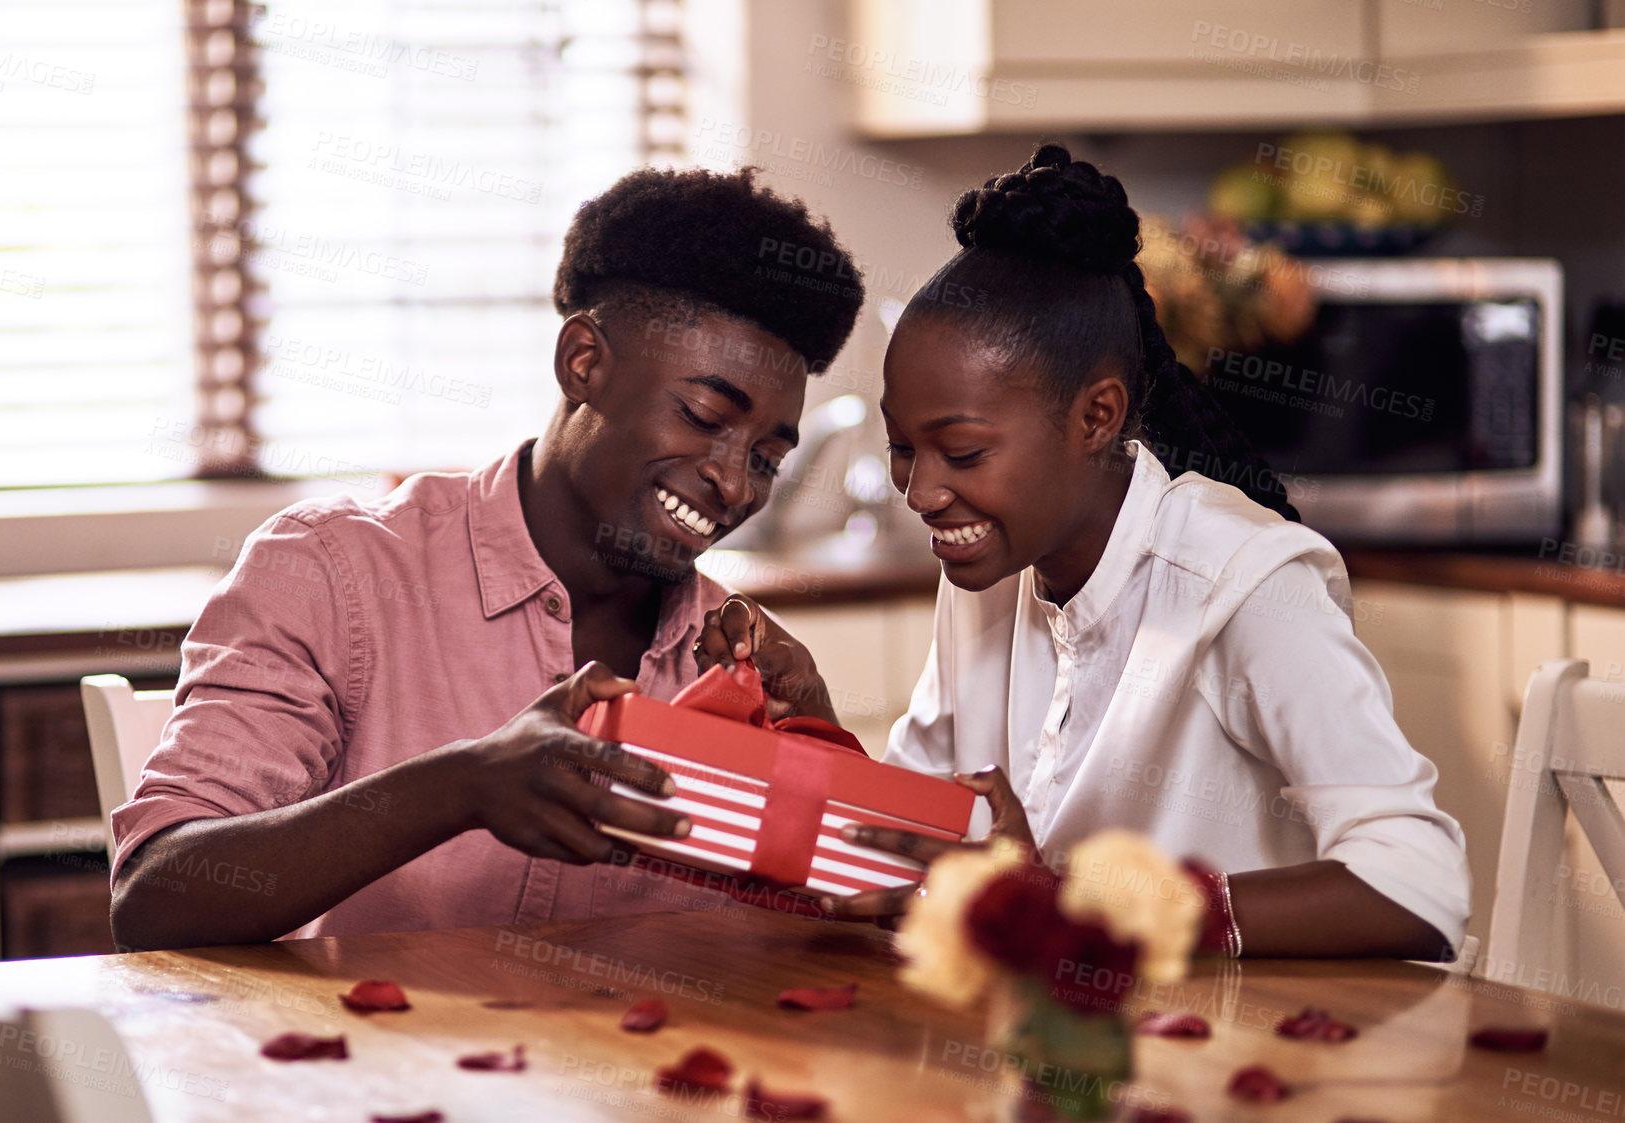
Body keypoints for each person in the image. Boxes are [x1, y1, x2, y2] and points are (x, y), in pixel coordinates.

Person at [696, 144, 1469, 960]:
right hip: (1052, 1046)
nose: (919, 492)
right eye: (901, 450)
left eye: (960, 453)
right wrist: (812, 715)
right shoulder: (988, 570)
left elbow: (1416, 882)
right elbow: (924, 837)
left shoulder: (1246, 584)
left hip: (1230, 1054)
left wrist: (1080, 905)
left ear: (1096, 415)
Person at [108, 167, 864, 950]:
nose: (734, 481)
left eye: (768, 458)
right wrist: (460, 786)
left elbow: (832, 949)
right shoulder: (334, 572)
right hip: (371, 1067)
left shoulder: (743, 661)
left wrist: (822, 756)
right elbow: (156, 899)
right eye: (703, 415)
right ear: (583, 361)